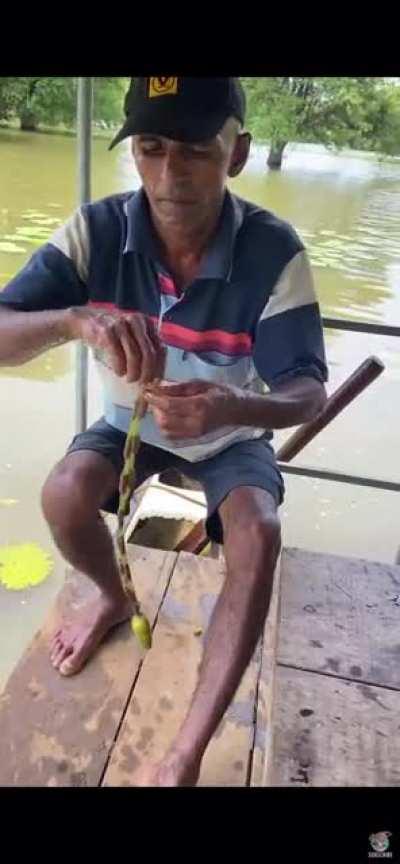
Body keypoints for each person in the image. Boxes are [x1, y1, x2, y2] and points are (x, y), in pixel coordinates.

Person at [0, 77, 328, 786]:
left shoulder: (275, 252)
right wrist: (72, 319)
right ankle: (114, 597)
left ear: (236, 154)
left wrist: (231, 407)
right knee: (63, 494)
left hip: (229, 441)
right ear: (134, 153)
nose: (169, 176)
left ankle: (186, 752)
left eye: (195, 153)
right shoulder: (97, 231)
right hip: (131, 429)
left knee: (256, 533)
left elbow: (307, 393)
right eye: (150, 149)